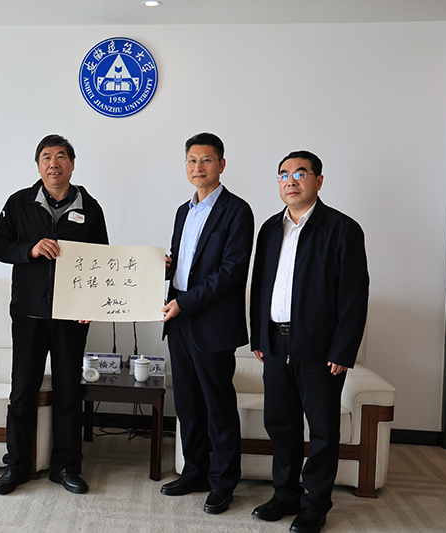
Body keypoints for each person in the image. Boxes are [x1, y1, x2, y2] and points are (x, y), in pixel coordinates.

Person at [249, 151, 369, 533]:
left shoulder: (342, 229)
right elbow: (259, 287)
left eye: (300, 173)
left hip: (320, 349)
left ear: (318, 181)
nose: (291, 180)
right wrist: (259, 336)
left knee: (322, 430)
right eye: (283, 174)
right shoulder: (270, 229)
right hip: (275, 344)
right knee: (279, 423)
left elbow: (354, 296)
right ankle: (285, 493)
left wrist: (343, 349)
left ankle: (315, 503)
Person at [0, 134, 109, 495]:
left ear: (72, 164)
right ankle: (17, 465)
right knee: (22, 392)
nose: (53, 163)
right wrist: (30, 249)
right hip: (29, 314)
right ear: (38, 165)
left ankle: (65, 467)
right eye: (46, 157)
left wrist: (92, 305)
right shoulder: (19, 203)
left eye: (60, 157)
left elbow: (102, 260)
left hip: (72, 316)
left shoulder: (90, 208)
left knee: (68, 392)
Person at [160, 133, 254, 515]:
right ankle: (195, 471)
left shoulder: (237, 211)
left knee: (218, 407)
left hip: (211, 323)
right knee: (187, 405)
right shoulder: (183, 211)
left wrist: (184, 303)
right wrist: (166, 268)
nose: (198, 167)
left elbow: (230, 272)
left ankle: (223, 482)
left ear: (221, 165)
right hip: (179, 321)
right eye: (192, 160)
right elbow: (187, 263)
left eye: (206, 160)